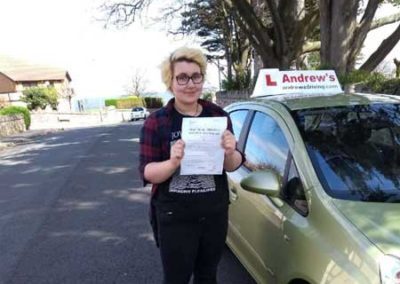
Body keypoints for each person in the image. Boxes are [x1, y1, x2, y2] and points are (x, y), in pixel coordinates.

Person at [139, 46, 244, 284]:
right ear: (171, 82)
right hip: (174, 217)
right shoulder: (157, 123)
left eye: (196, 76)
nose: (190, 84)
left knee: (208, 276)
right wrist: (173, 161)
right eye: (182, 77)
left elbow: (233, 164)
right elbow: (148, 173)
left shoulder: (217, 115)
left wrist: (230, 150)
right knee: (176, 279)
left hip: (214, 215)